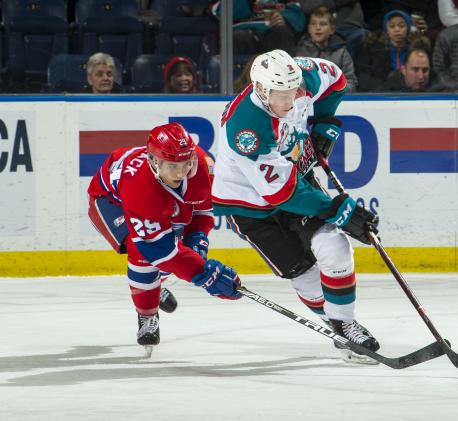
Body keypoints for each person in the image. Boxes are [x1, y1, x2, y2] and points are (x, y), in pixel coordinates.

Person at [211, 50, 380, 363]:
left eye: (295, 92)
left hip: (292, 182)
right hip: (249, 205)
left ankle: (346, 325)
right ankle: (336, 324)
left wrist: (324, 124)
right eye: (282, 97)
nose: (292, 103)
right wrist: (337, 210)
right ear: (262, 90)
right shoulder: (246, 128)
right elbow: (280, 194)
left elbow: (337, 80)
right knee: (302, 272)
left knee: (334, 246)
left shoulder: (302, 77)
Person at [87, 122, 242, 352]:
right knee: (142, 253)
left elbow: (202, 208)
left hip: (151, 204)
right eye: (172, 166)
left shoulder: (199, 165)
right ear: (154, 162)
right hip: (110, 201)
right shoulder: (141, 189)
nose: (180, 173)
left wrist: (198, 239)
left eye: (185, 165)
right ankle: (147, 315)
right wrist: (204, 275)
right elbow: (158, 250)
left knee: (178, 252)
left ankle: (154, 287)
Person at [356, 9, 430, 91]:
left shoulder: (417, 49)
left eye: (401, 26)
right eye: (392, 26)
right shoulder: (372, 50)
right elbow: (364, 77)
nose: (397, 30)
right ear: (386, 30)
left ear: (408, 28)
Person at [296, 6, 358, 92]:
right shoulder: (301, 52)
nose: (317, 27)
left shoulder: (341, 53)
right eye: (313, 24)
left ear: (332, 30)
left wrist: (333, 93)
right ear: (309, 29)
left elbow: (351, 83)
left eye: (323, 24)